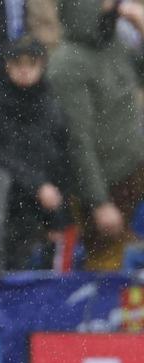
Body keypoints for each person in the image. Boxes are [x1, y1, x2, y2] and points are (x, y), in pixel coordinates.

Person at [0, 36, 70, 275]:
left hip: (29, 201)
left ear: (42, 67)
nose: (25, 71)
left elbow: (57, 162)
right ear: (7, 65)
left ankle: (45, 264)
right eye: (18, 63)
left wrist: (57, 218)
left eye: (32, 64)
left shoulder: (50, 107)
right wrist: (36, 185)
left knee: (23, 259)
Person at [49, 0, 144, 270]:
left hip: (133, 167)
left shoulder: (113, 45)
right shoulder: (67, 64)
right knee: (106, 266)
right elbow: (78, 141)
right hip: (104, 183)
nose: (114, 7)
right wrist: (99, 202)